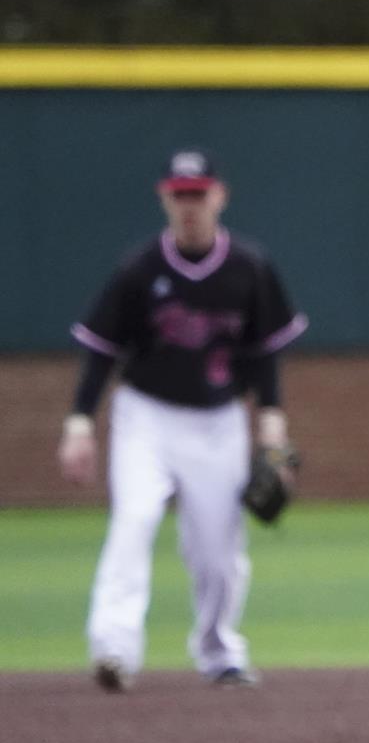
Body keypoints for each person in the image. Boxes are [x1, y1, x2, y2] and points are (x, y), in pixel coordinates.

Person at [56, 149, 307, 691]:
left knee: (217, 550)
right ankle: (114, 650)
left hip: (218, 421)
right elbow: (102, 349)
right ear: (164, 198)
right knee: (134, 521)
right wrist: (79, 423)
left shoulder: (249, 267)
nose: (189, 204)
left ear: (219, 196)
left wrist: (272, 435)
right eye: (179, 194)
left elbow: (264, 357)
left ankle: (220, 652)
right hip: (145, 416)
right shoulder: (141, 268)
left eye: (198, 193)